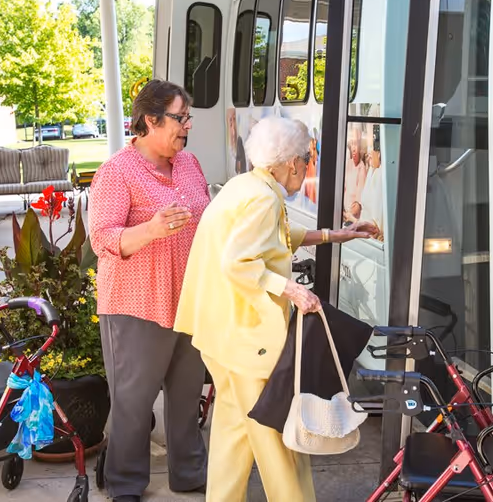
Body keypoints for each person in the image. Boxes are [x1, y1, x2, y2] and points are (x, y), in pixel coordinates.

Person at [174, 116, 380, 502]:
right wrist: (293, 290)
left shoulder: (245, 186)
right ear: (289, 163)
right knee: (278, 441)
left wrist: (335, 235)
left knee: (233, 437)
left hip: (222, 337)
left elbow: (273, 238)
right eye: (306, 159)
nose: (307, 167)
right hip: (249, 339)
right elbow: (238, 262)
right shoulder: (263, 199)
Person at [89, 80, 209, 502]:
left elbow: (208, 222)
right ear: (150, 120)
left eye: (187, 118)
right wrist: (152, 229)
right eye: (180, 118)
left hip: (189, 300)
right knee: (133, 402)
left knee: (186, 394)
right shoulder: (117, 171)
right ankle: (125, 484)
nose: (186, 126)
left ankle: (190, 473)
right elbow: (102, 238)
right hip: (136, 303)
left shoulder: (190, 164)